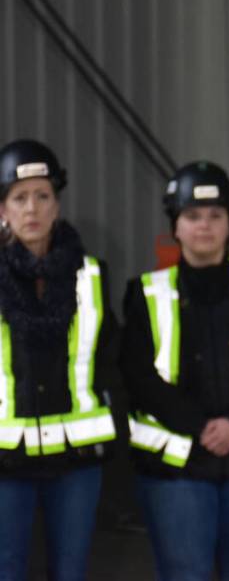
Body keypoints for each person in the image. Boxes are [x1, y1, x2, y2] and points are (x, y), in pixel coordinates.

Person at [120, 162, 229, 581]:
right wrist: (202, 426)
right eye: (193, 216)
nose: (205, 226)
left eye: (216, 215)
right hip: (176, 468)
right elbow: (138, 377)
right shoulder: (146, 293)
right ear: (175, 225)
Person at [0, 139, 119, 581]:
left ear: (57, 205)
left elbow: (110, 358)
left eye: (42, 196)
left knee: (71, 572)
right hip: (5, 460)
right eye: (19, 197)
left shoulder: (91, 276)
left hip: (76, 460)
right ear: (3, 210)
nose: (31, 208)